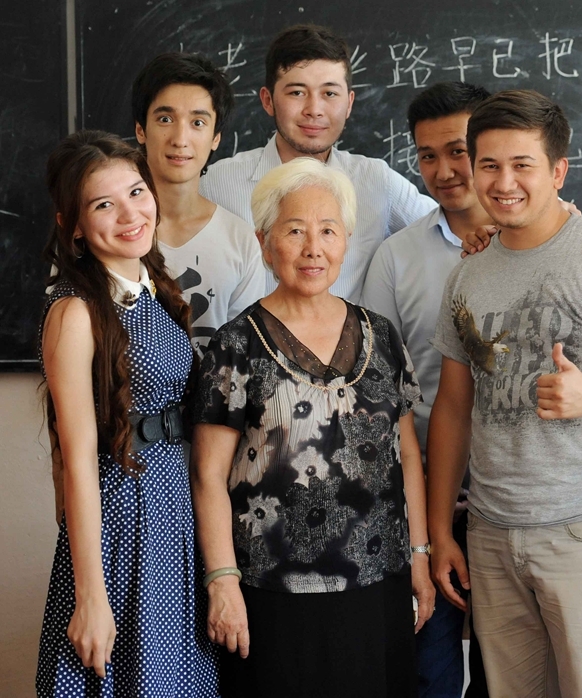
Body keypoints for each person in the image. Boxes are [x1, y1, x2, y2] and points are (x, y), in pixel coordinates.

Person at [427, 90, 582, 698]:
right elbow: (453, 409)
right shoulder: (467, 274)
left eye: (523, 165)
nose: (504, 182)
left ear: (558, 171)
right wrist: (439, 532)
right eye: (489, 165)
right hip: (490, 529)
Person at [190, 157, 435, 697]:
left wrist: (420, 555)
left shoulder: (382, 335)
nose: (313, 248)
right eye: (295, 231)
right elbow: (207, 475)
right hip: (272, 594)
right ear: (265, 243)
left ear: (345, 241)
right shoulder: (236, 343)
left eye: (328, 231)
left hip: (379, 583)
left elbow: (408, 456)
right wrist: (222, 581)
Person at [35, 131, 218, 697]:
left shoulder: (154, 288)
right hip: (121, 522)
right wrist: (91, 596)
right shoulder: (75, 311)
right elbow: (77, 459)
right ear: (74, 226)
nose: (130, 214)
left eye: (137, 192)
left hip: (172, 514)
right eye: (103, 204)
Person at [361, 81, 491, 698]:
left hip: (516, 499)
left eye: (458, 151)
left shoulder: (550, 243)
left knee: (508, 675)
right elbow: (377, 388)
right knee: (428, 673)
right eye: (428, 156)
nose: (443, 171)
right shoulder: (396, 257)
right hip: (422, 497)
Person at [199, 23, 435, 301]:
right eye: (297, 92)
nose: (314, 110)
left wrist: (475, 231)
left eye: (329, 93)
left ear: (349, 103)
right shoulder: (217, 184)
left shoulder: (376, 181)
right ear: (268, 100)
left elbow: (443, 228)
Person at [132, 52, 266, 354]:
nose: (180, 139)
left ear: (216, 137)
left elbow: (244, 357)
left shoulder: (240, 240)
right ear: (141, 129)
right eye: (165, 119)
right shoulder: (106, 227)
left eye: (197, 122)